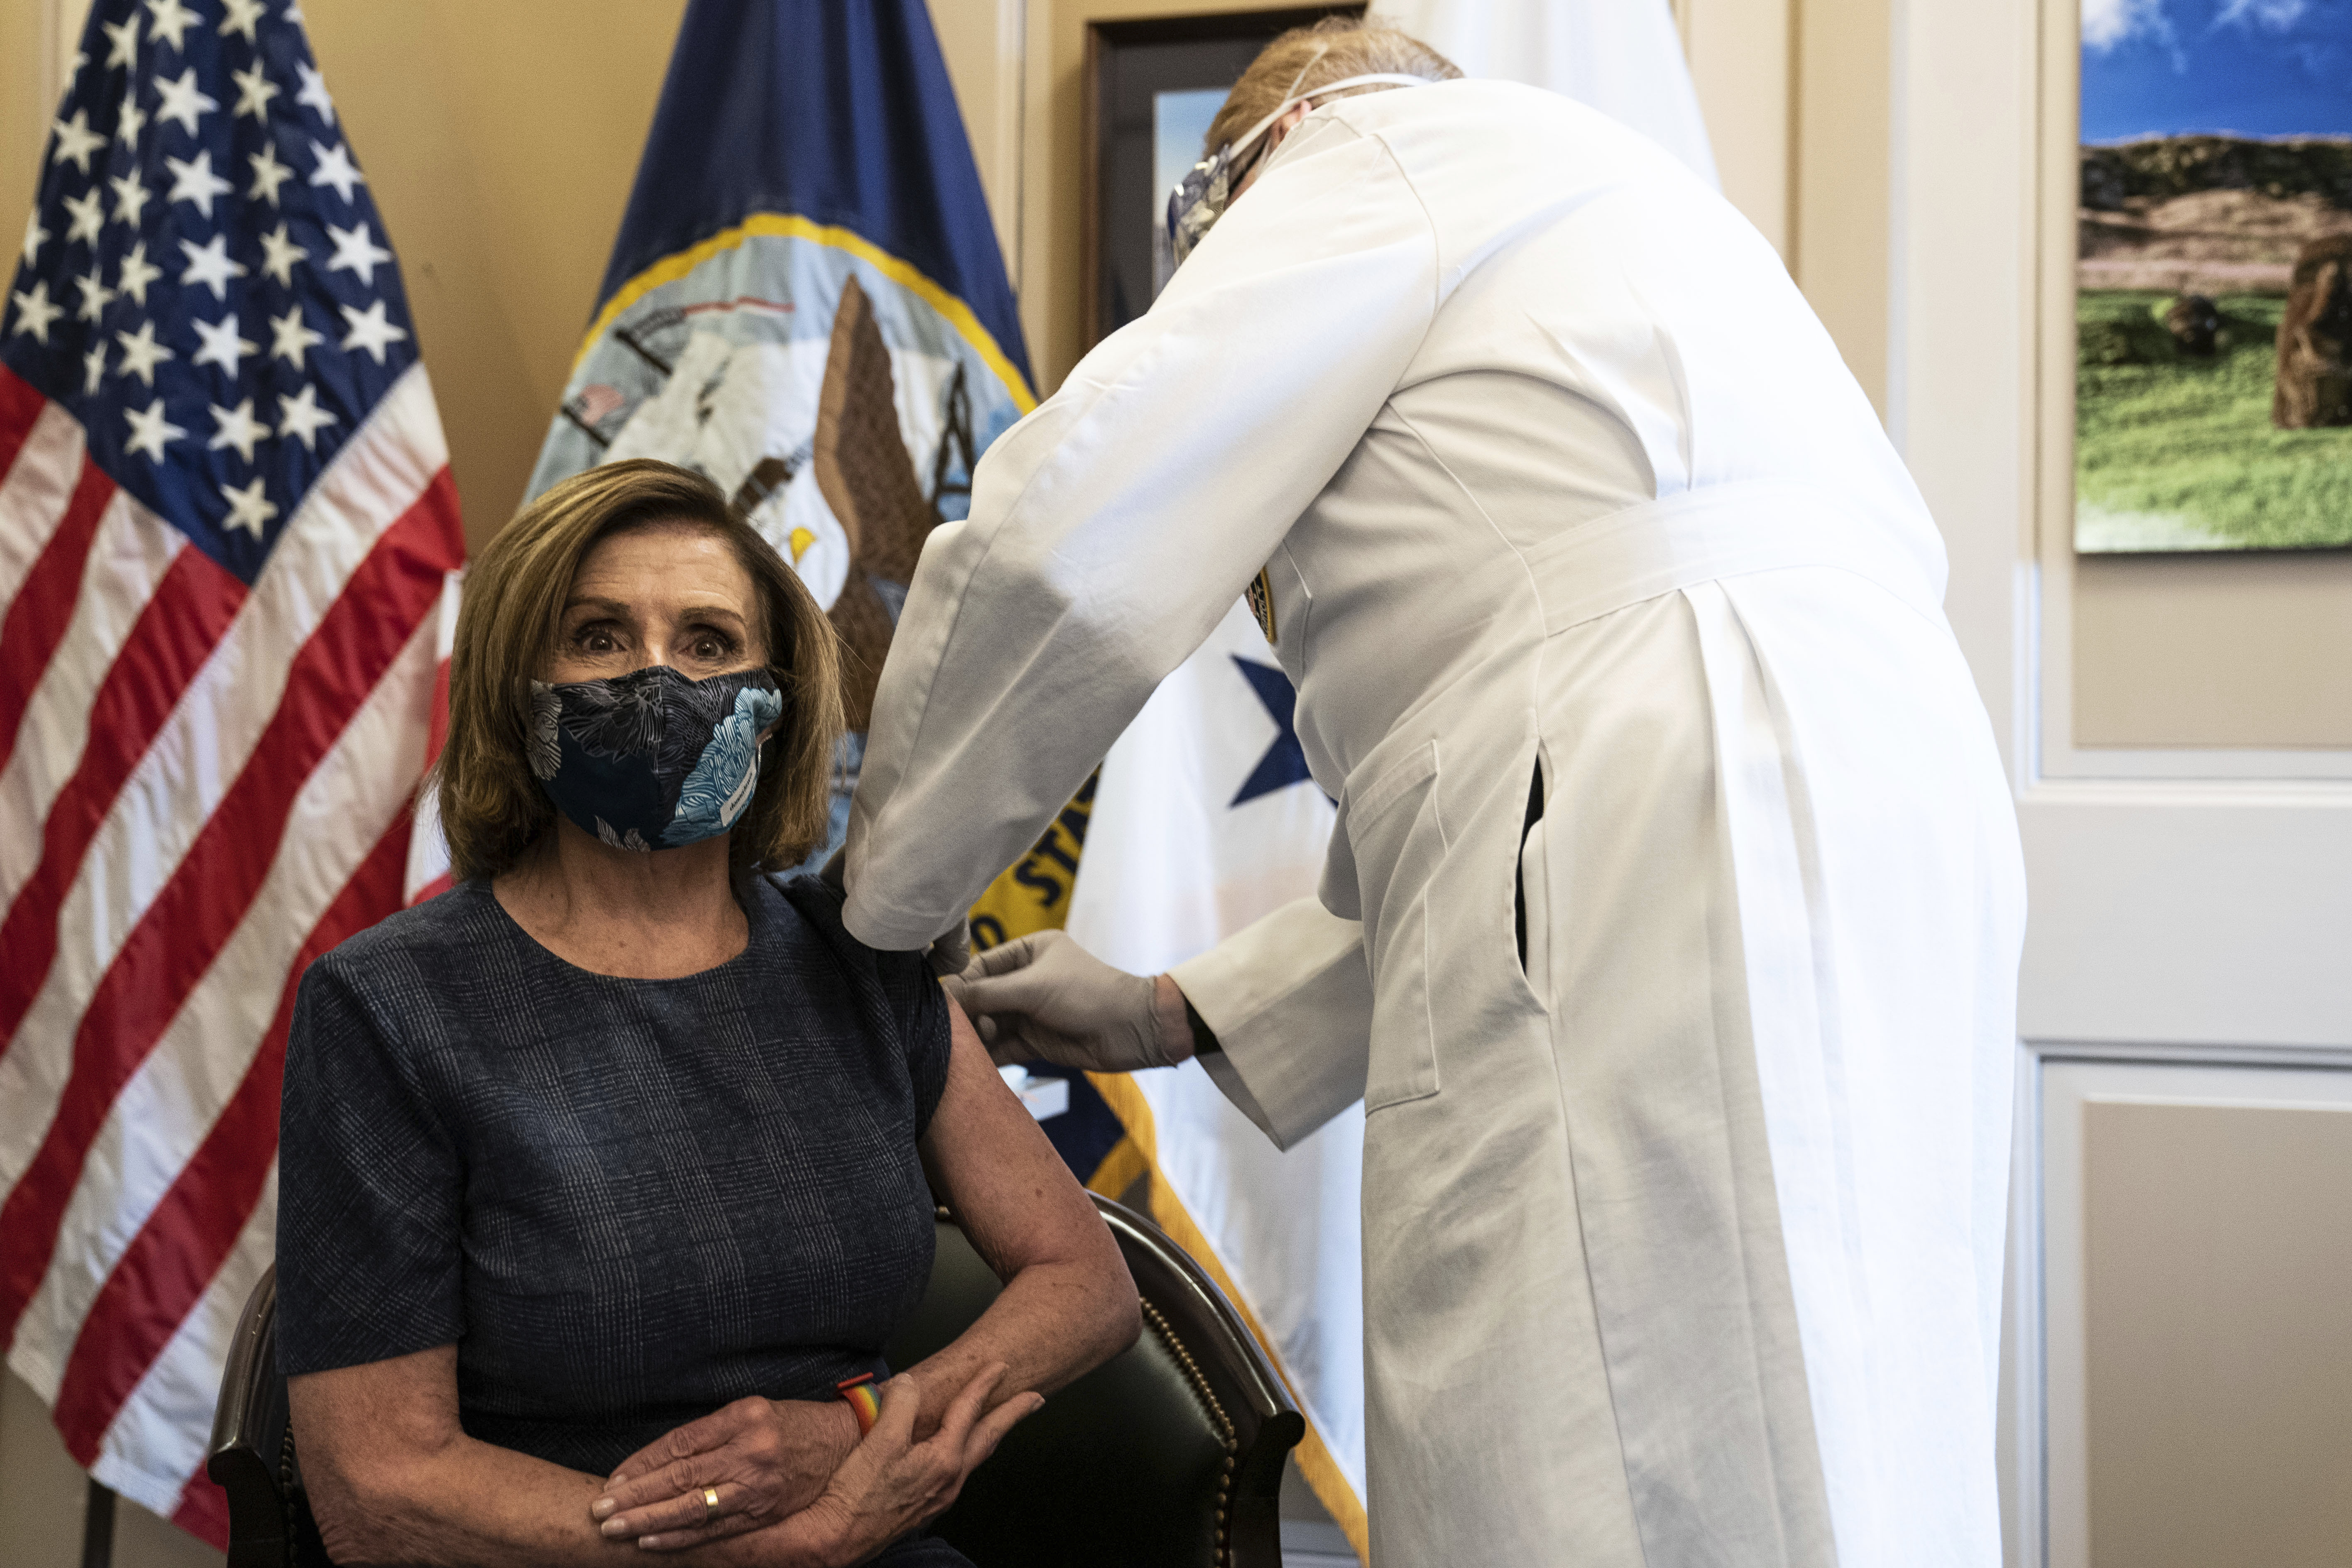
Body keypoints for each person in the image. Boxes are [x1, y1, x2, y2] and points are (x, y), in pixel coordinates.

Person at [843, 17, 2026, 1568]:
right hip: (1870, 813)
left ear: (1259, 157)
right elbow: (1515, 764)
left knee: (1597, 1438)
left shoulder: (1364, 156)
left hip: (1666, 809)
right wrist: (1164, 1008)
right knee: (1850, 1411)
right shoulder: (1637, 228)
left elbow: (1062, 548)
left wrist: (871, 902)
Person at [274, 460, 1139, 1568]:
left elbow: (1085, 1284)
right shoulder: (388, 1007)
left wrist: (861, 1428)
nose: (657, 679)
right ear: (514, 685)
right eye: (597, 635)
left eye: (709, 642)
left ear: (776, 705)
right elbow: (377, 1492)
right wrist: (766, 1553)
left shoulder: (859, 961)